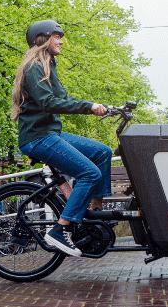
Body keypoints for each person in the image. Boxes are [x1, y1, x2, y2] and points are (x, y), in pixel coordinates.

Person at [11, 19, 113, 257]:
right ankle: (60, 229)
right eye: (57, 36)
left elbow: (63, 98)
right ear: (43, 38)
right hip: (38, 137)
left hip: (50, 133)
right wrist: (89, 107)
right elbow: (49, 102)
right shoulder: (34, 67)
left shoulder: (48, 66)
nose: (61, 40)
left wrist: (104, 107)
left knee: (103, 152)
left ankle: (94, 213)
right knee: (90, 173)